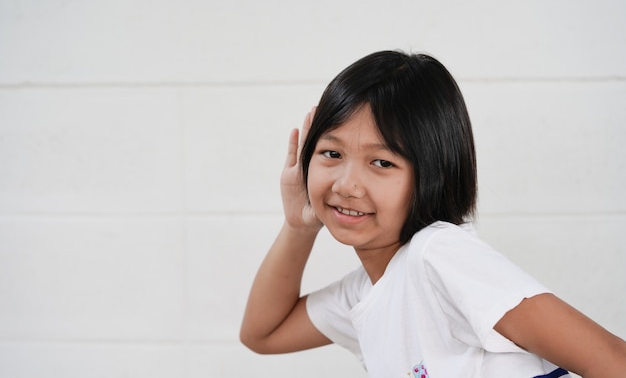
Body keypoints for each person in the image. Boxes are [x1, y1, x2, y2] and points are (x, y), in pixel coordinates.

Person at [239, 51, 626, 377]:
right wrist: (297, 226)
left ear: (431, 174)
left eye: (381, 162)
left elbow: (612, 361)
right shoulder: (367, 290)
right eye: (332, 153)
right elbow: (263, 334)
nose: (346, 184)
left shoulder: (437, 255)